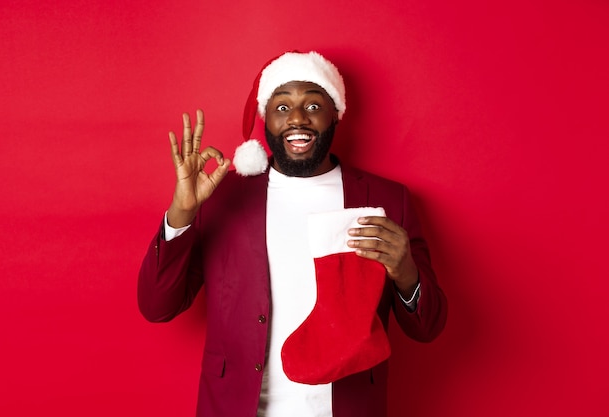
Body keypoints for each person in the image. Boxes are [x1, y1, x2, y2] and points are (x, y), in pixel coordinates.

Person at [138, 51, 447, 417]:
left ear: (335, 114)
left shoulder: (386, 199)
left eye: (313, 104)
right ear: (265, 119)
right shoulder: (224, 197)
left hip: (347, 406)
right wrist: (182, 212)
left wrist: (406, 271)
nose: (297, 118)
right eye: (282, 107)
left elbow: (428, 327)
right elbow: (157, 306)